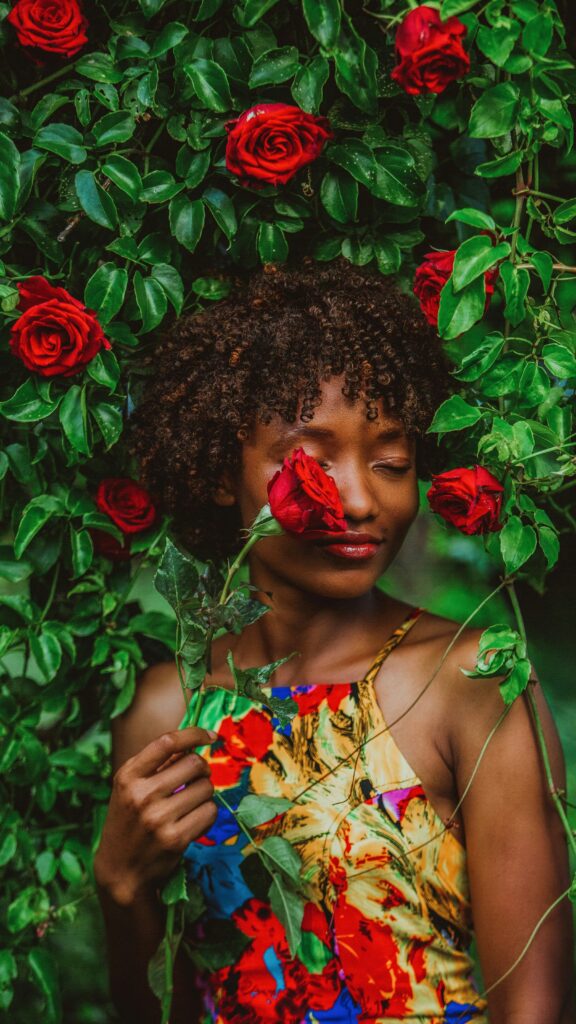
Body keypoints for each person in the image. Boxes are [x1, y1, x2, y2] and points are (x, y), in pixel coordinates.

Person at [93, 259, 573, 1024]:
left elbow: (537, 1007)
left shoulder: (473, 682)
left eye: (392, 462)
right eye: (313, 459)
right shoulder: (169, 714)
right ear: (225, 473)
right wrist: (121, 889)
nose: (358, 498)